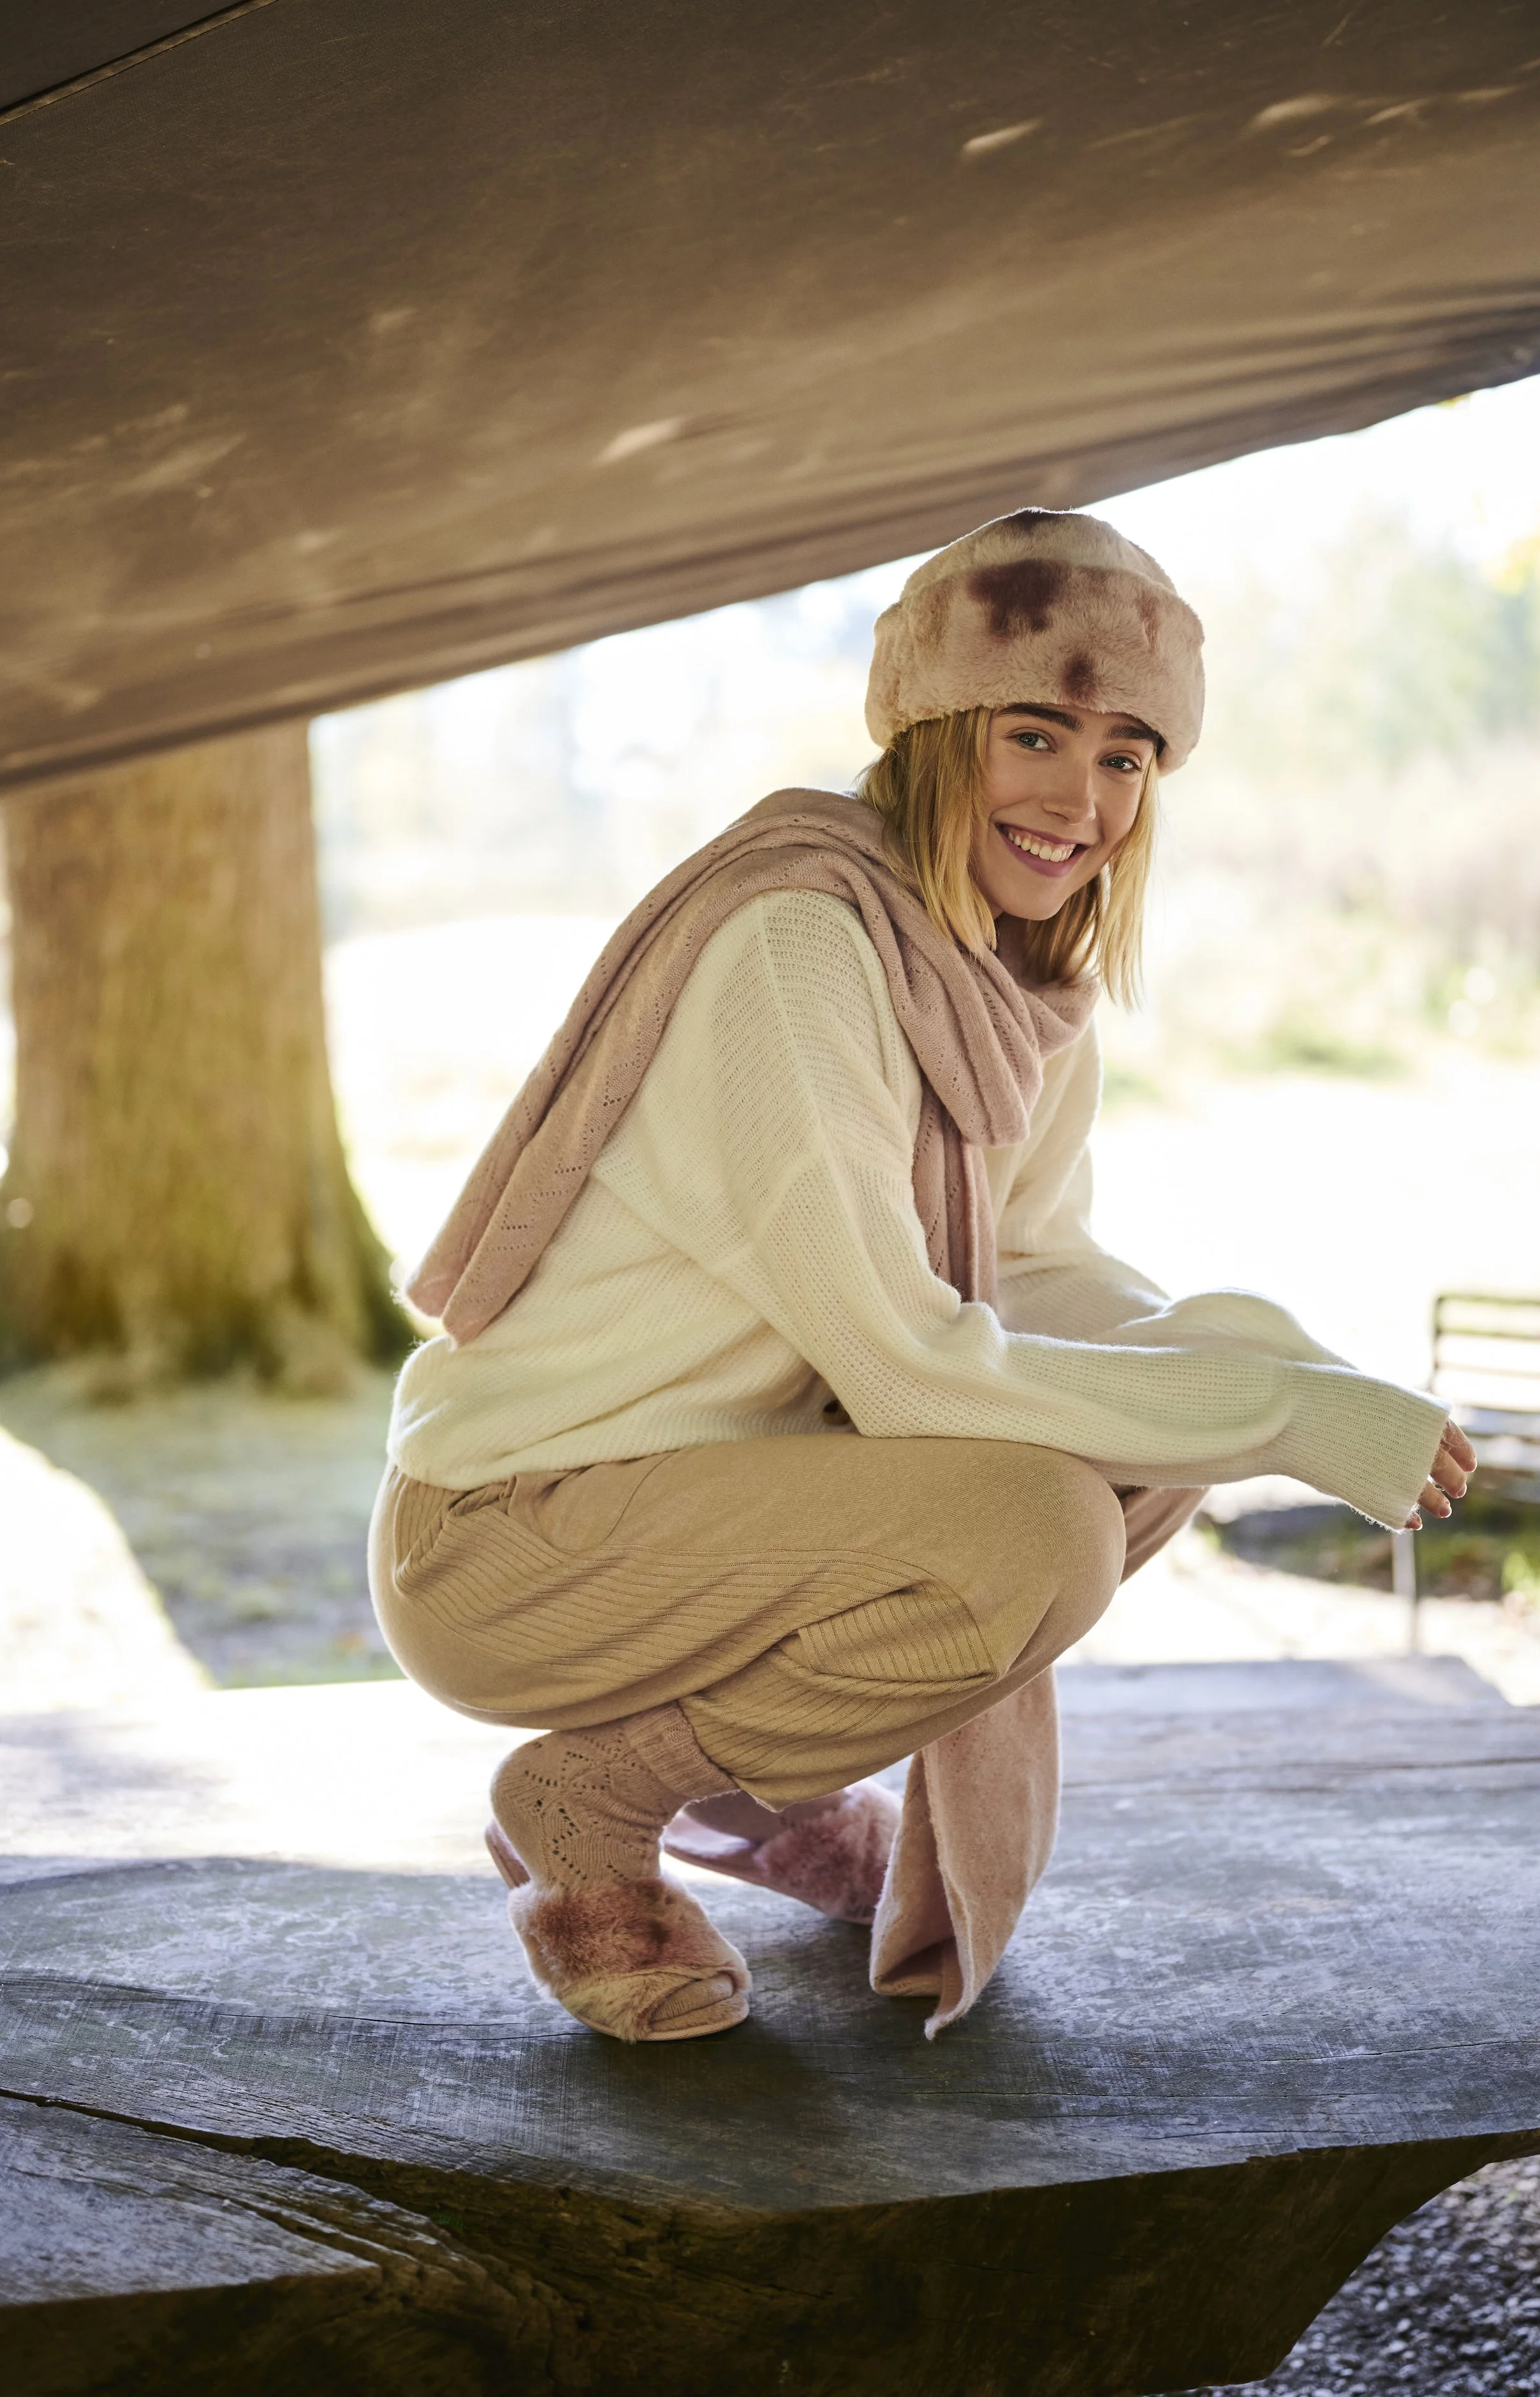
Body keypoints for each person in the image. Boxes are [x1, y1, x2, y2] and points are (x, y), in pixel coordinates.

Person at [369, 510, 1473, 2046]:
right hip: (514, 1536)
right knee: (1040, 1525)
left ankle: (761, 1790)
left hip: (717, 1502)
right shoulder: (799, 944)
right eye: (1035, 735)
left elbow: (1033, 1268)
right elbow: (902, 1359)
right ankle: (591, 1799)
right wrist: (1276, 1411)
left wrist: (1283, 1370)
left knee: (1163, 1428)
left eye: (1125, 756)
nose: (1079, 801)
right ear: (937, 730)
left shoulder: (1012, 980)